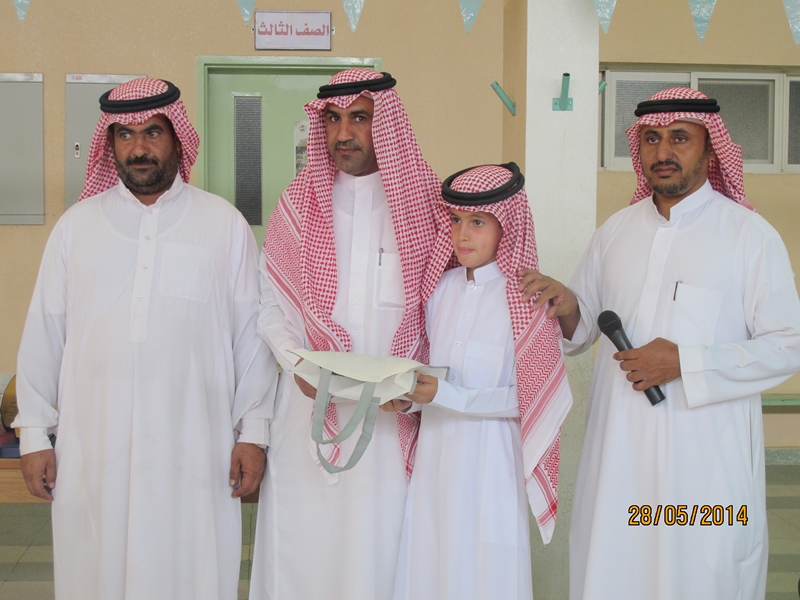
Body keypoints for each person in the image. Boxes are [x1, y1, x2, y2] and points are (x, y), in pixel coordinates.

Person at [522, 87, 800, 599]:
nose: (663, 151)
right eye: (651, 138)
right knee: (616, 571)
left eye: (679, 138)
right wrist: (566, 306)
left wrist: (685, 362)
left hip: (704, 469)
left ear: (710, 148)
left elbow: (787, 346)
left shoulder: (749, 235)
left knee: (700, 574)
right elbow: (583, 329)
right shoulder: (615, 231)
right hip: (618, 457)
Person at [13, 78, 278, 600]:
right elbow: (44, 332)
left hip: (195, 444)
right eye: (125, 134)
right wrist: (35, 435)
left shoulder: (222, 224)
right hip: (95, 446)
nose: (138, 148)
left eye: (153, 132)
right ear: (109, 143)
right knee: (97, 566)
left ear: (176, 137)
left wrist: (254, 433)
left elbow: (251, 339)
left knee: (190, 565)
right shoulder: (76, 227)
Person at [250, 69, 441, 600]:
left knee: (381, 557)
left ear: (387, 124)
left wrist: (417, 387)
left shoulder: (430, 208)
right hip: (306, 416)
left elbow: (445, 314)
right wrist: (298, 363)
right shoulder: (297, 207)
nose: (343, 133)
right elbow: (270, 304)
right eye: (332, 120)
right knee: (303, 557)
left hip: (392, 423)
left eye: (359, 118)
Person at [389, 163, 572, 600]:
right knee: (429, 565)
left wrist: (448, 395)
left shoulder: (528, 298)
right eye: (455, 221)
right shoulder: (437, 290)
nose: (462, 235)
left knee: (486, 575)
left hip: (492, 464)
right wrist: (407, 399)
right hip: (435, 460)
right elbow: (426, 373)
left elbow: (529, 399)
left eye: (477, 222)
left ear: (507, 227)